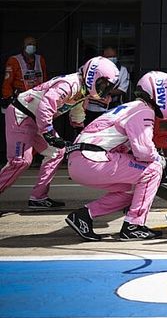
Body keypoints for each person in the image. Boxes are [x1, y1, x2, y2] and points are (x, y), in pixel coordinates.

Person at [64, 71, 167, 241]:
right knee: (153, 170)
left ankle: (83, 216)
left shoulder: (132, 107)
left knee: (134, 188)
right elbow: (144, 151)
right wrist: (161, 161)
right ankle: (134, 226)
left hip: (80, 160)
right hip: (92, 158)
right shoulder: (143, 110)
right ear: (161, 92)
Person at [0, 56, 119, 209]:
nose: (104, 90)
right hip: (22, 115)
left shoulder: (82, 89)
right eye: (103, 84)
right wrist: (48, 132)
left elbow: (76, 108)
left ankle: (38, 197)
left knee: (57, 152)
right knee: (21, 160)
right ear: (93, 76)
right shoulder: (69, 84)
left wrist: (78, 127)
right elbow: (46, 106)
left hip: (36, 119)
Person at [84, 46, 131, 126]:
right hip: (91, 108)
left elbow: (122, 90)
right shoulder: (95, 68)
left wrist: (104, 92)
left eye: (112, 57)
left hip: (110, 108)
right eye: (108, 57)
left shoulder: (122, 70)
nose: (110, 59)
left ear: (116, 56)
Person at [3, 36, 47, 102]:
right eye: (29, 44)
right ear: (23, 46)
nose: (32, 46)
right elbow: (7, 82)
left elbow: (45, 79)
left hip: (37, 97)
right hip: (20, 97)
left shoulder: (40, 59)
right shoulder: (14, 60)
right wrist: (9, 98)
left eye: (34, 44)